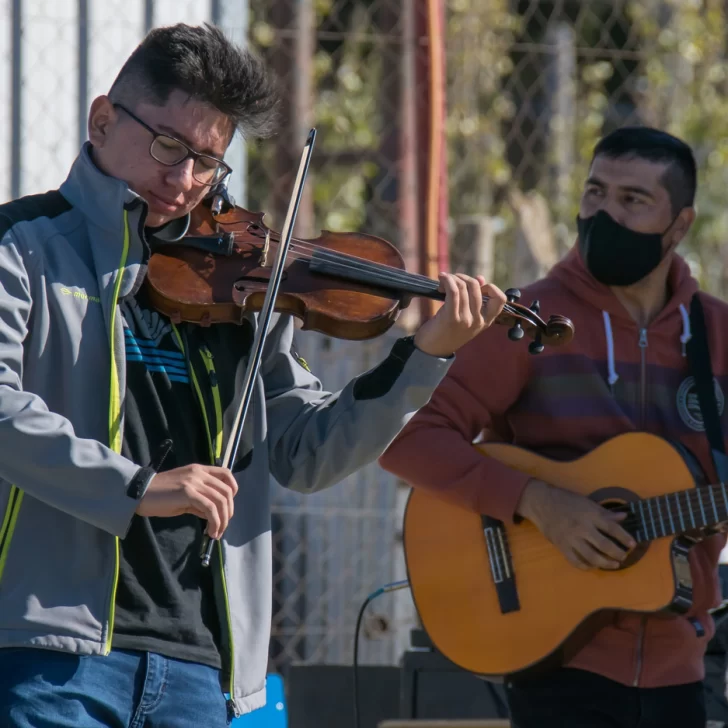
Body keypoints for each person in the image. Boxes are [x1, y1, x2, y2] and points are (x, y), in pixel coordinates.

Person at [0, 22, 507, 728]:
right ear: (102, 119)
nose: (184, 183)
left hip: (201, 669)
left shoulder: (249, 292)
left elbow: (306, 453)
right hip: (52, 653)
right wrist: (139, 487)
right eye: (168, 146)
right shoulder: (21, 248)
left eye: (208, 163)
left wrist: (426, 356)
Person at [380, 126, 728, 728]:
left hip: (682, 666)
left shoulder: (717, 336)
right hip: (555, 658)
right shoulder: (529, 322)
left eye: (632, 201)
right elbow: (407, 438)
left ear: (680, 225)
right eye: (595, 192)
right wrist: (537, 502)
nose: (602, 213)